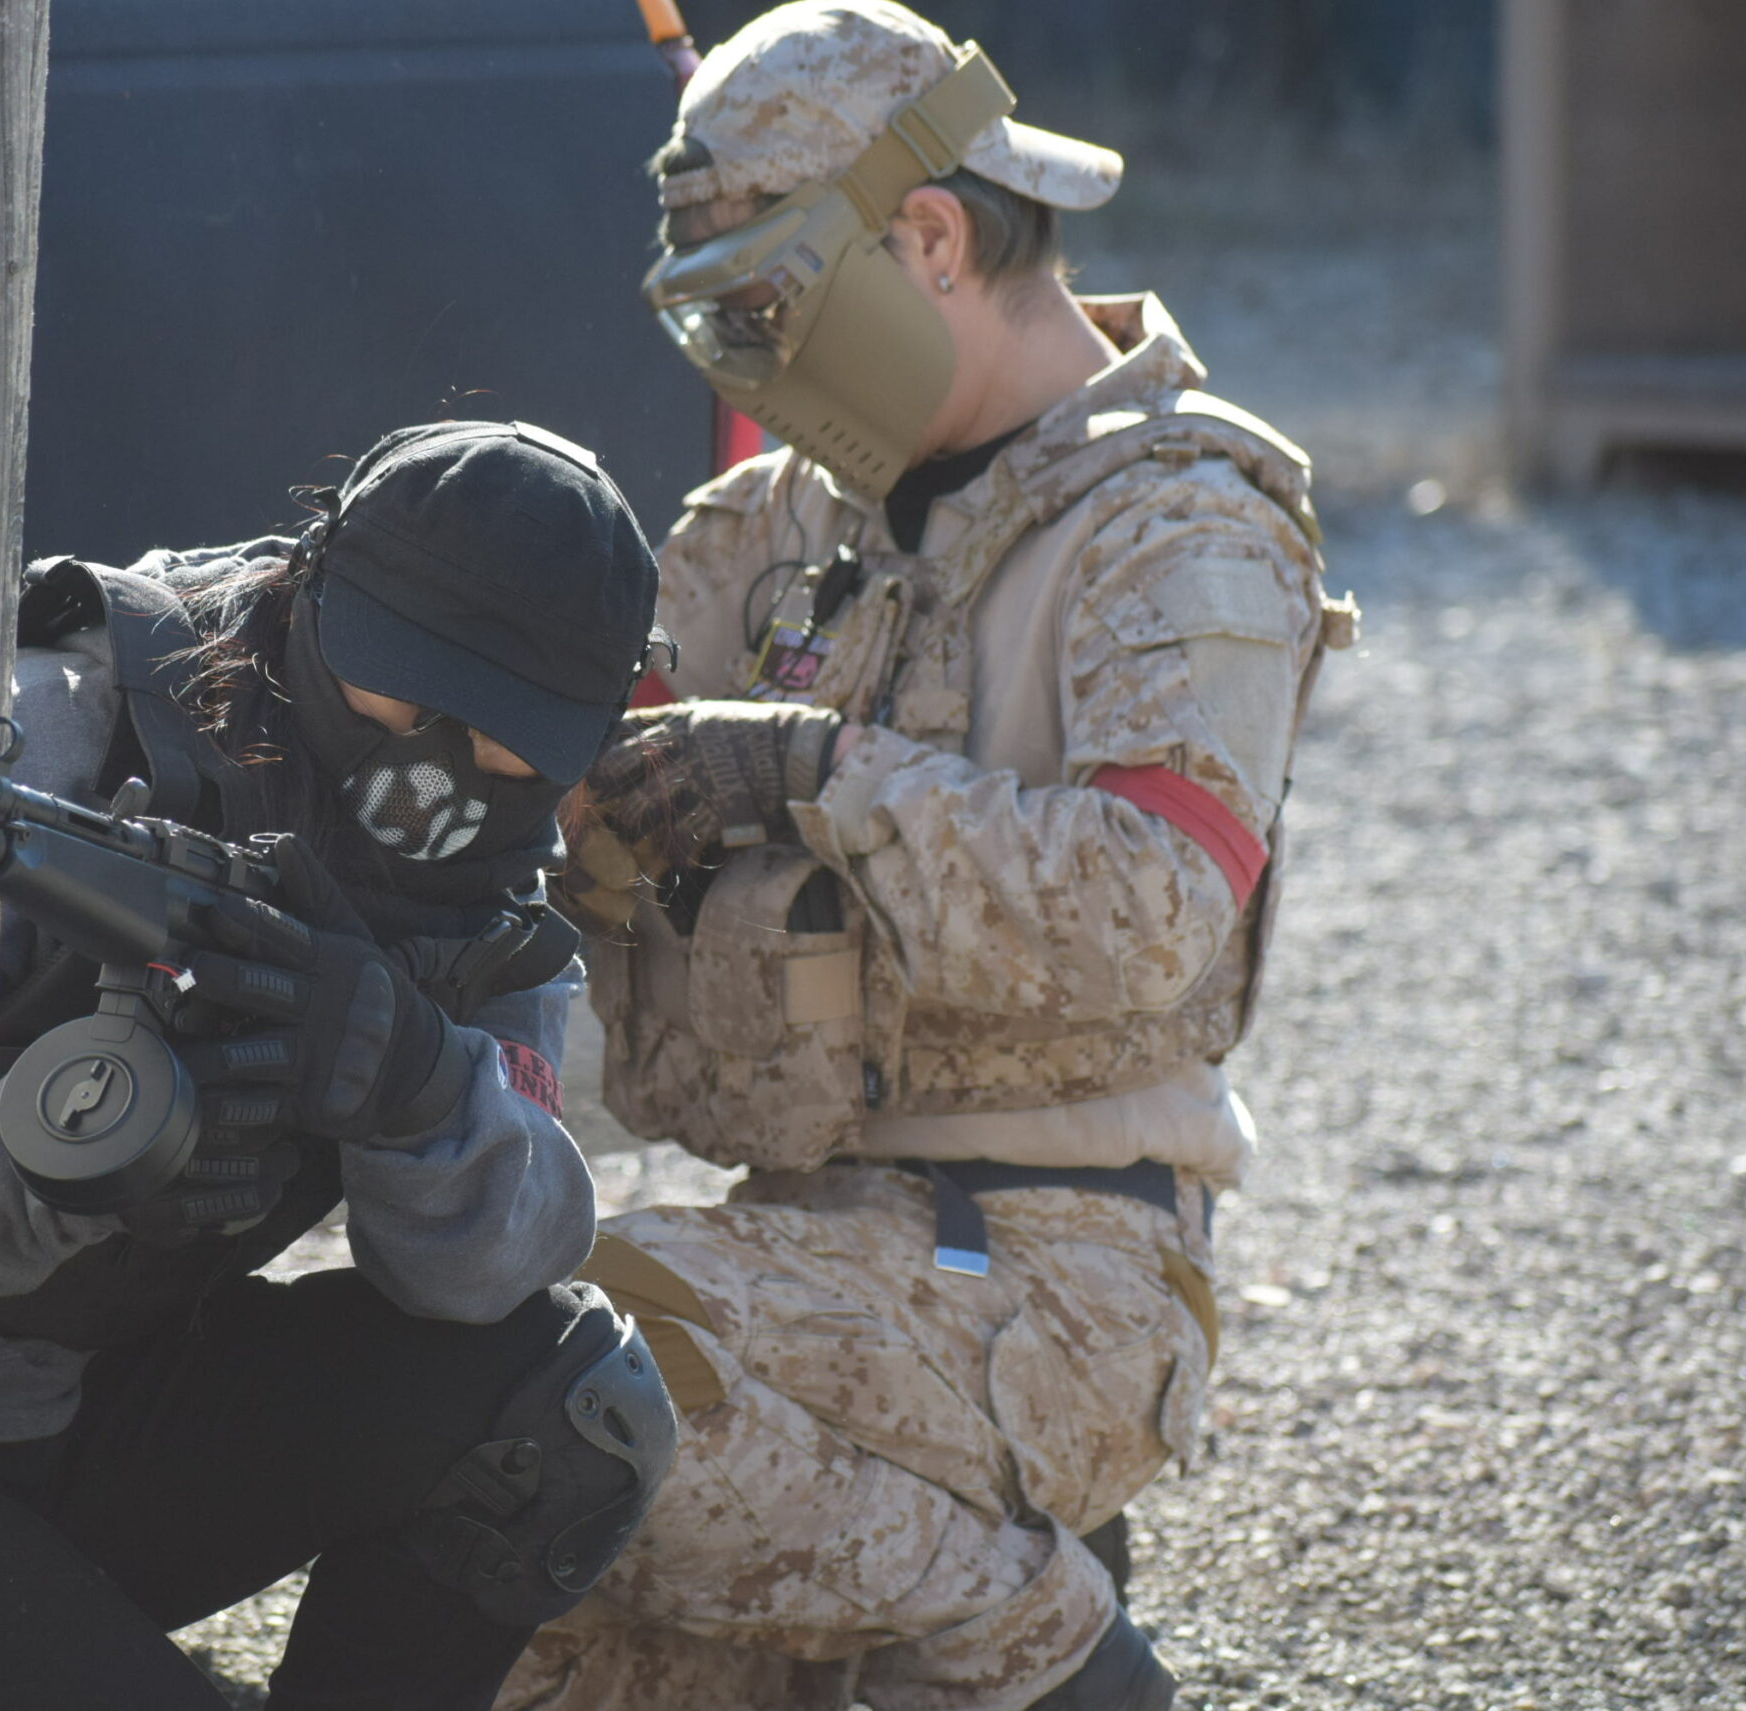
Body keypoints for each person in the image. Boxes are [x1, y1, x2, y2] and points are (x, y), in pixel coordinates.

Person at [509, 4, 1357, 1708]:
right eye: (708, 319)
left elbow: (1153, 907)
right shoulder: (774, 528)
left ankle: (1033, 1646)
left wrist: (813, 772)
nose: (741, 365)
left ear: (931, 242)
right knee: (516, 1564)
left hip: (1060, 1271)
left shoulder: (1177, 520)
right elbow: (579, 793)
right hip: (798, 1229)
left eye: (764, 308)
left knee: (554, 1379)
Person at [0, 419, 679, 1711]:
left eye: (505, 741)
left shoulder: (490, 912)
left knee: (569, 1411)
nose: (435, 778)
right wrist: (80, 1165)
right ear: (314, 594)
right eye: (406, 697)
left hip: (97, 1435)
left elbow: (494, 1274)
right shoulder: (55, 735)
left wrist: (417, 1089)